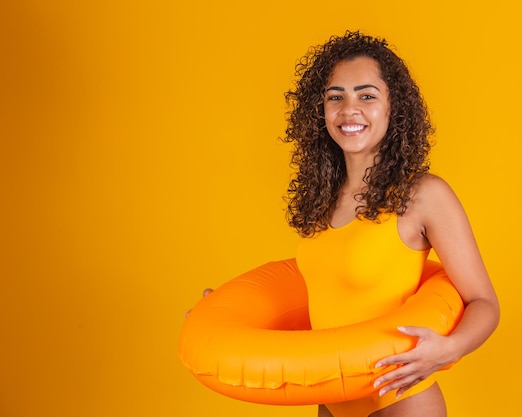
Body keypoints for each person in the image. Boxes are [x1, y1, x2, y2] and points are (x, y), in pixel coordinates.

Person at [197, 31, 499, 417]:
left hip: (399, 402)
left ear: (394, 109)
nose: (349, 109)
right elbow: (328, 301)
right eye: (335, 96)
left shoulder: (422, 195)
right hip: (333, 404)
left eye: (367, 96)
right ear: (320, 110)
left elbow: (485, 303)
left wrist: (449, 349)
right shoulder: (322, 198)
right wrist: (224, 316)